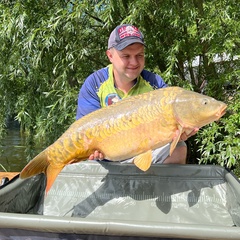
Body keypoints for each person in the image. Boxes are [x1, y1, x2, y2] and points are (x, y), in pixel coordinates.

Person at [76, 24, 197, 164]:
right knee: (84, 156)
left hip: (145, 152)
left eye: (139, 55)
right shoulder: (95, 83)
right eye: (126, 56)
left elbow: (170, 125)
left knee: (179, 147)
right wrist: (93, 149)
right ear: (110, 55)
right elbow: (85, 132)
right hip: (107, 157)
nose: (134, 62)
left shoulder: (155, 83)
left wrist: (179, 132)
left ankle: (154, 185)